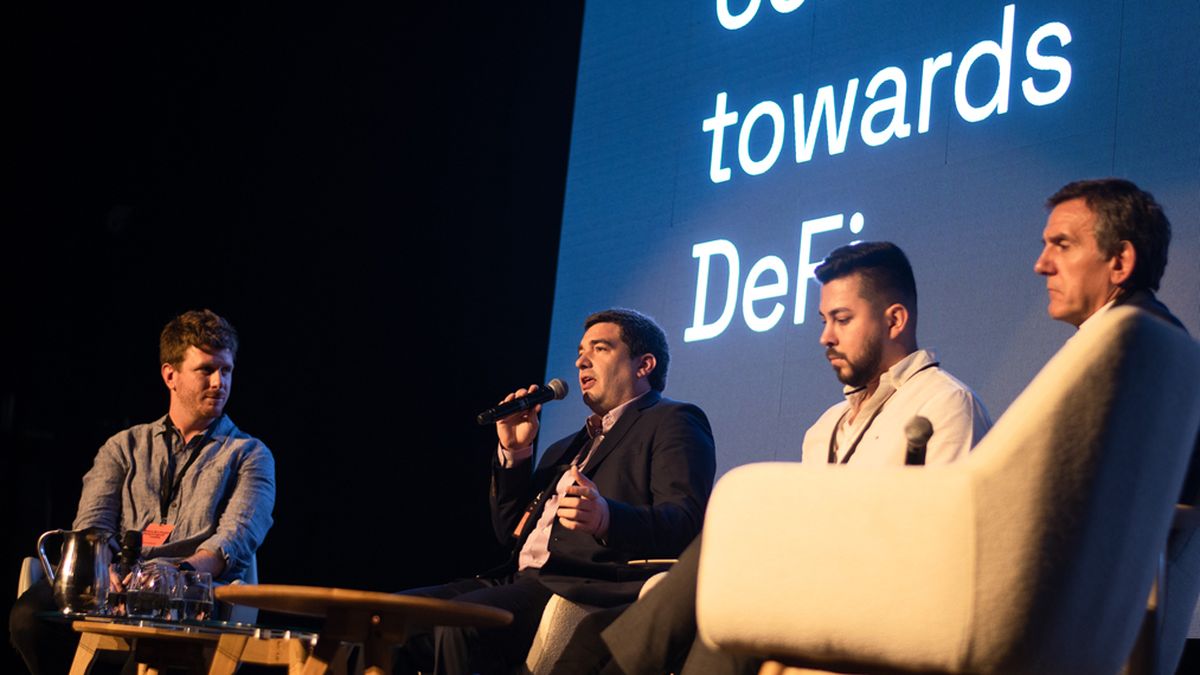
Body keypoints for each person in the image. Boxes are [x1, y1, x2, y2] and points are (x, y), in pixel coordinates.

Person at [550, 241, 992, 675]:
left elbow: (941, 548)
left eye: (842, 320)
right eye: (823, 320)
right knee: (610, 633)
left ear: (895, 320)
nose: (825, 336)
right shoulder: (827, 426)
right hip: (807, 587)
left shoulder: (944, 403)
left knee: (734, 545)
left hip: (877, 598)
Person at [396, 308, 717, 675]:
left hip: (576, 582)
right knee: (383, 619)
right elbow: (509, 532)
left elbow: (685, 523)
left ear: (644, 365)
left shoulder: (673, 421)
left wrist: (607, 517)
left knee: (463, 627)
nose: (581, 360)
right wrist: (516, 453)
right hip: (515, 579)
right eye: (581, 351)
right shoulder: (563, 448)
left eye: (600, 349)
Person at [9, 309, 276, 675]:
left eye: (226, 371)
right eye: (206, 370)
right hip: (113, 582)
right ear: (171, 375)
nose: (219, 382)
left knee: (153, 648)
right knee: (28, 618)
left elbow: (236, 537)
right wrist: (106, 570)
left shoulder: (249, 453)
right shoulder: (124, 446)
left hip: (191, 593)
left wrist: (173, 576)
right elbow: (93, 524)